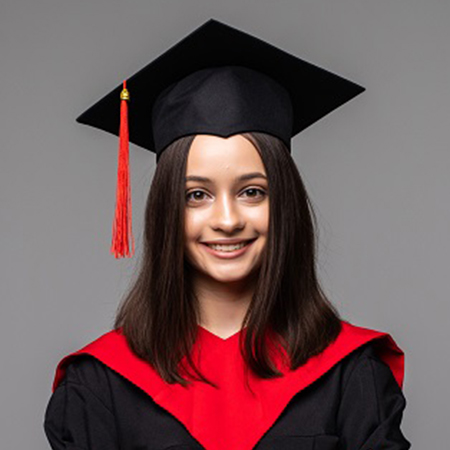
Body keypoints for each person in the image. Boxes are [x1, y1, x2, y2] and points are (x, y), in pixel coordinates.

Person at [43, 18, 411, 450]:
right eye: (196, 195)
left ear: (285, 204)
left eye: (252, 191)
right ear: (166, 211)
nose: (227, 219)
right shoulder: (99, 386)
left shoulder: (350, 375)